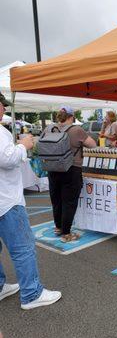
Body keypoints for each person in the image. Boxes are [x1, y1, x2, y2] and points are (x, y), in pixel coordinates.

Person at [0, 97, 61, 310]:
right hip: (6, 200)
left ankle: (0, 286)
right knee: (23, 247)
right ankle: (32, 293)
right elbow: (7, 158)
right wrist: (23, 145)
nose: (4, 108)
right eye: (2, 104)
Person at [48, 106, 96, 243]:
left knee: (56, 200)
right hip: (71, 169)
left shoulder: (50, 128)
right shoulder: (76, 130)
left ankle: (58, 227)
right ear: (72, 116)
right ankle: (66, 233)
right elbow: (92, 145)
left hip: (52, 169)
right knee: (69, 202)